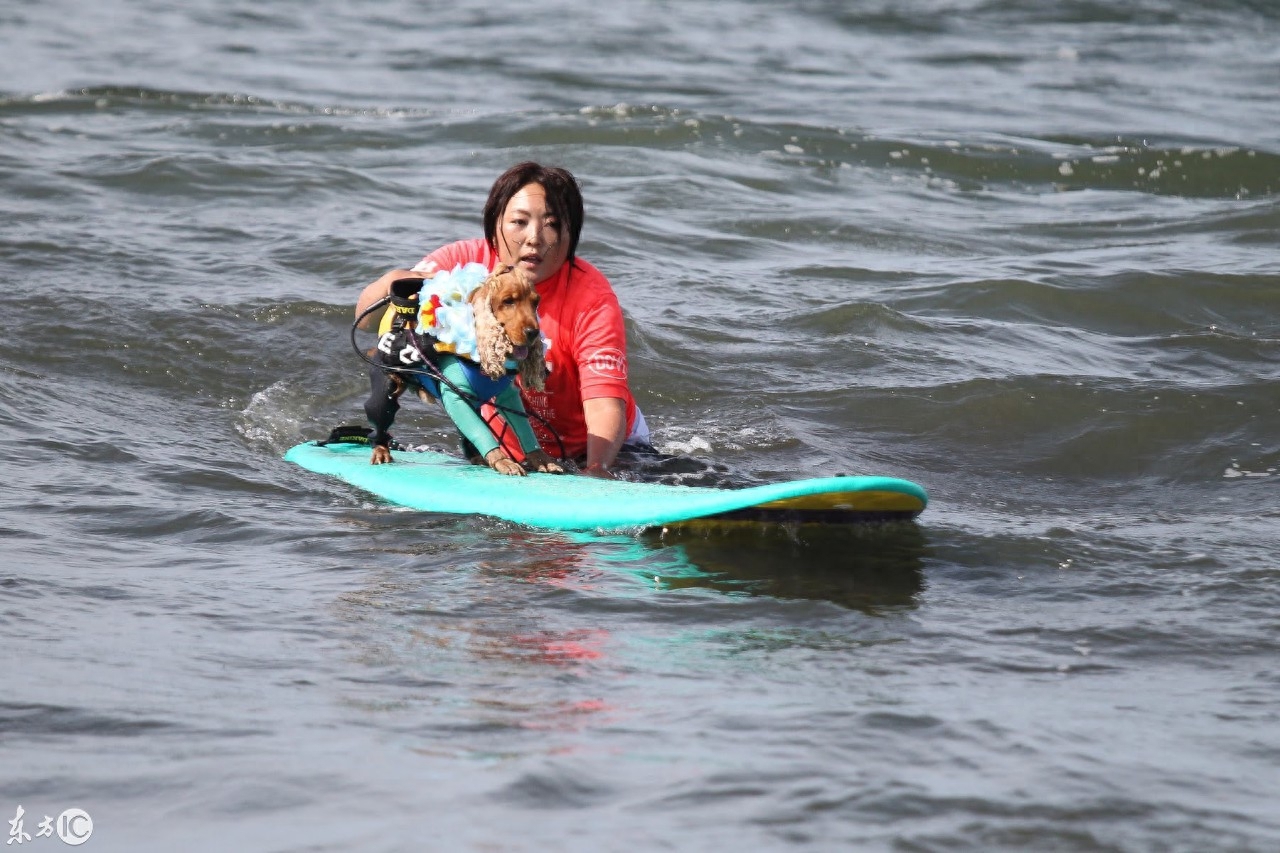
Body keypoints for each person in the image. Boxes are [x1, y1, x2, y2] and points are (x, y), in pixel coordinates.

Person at [355, 162, 650, 478]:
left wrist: (598, 469)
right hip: (504, 446)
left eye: (551, 224)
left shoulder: (592, 299)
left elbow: (604, 402)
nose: (534, 238)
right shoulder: (464, 265)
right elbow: (365, 322)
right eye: (519, 222)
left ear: (570, 232)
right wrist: (395, 282)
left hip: (604, 447)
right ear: (495, 223)